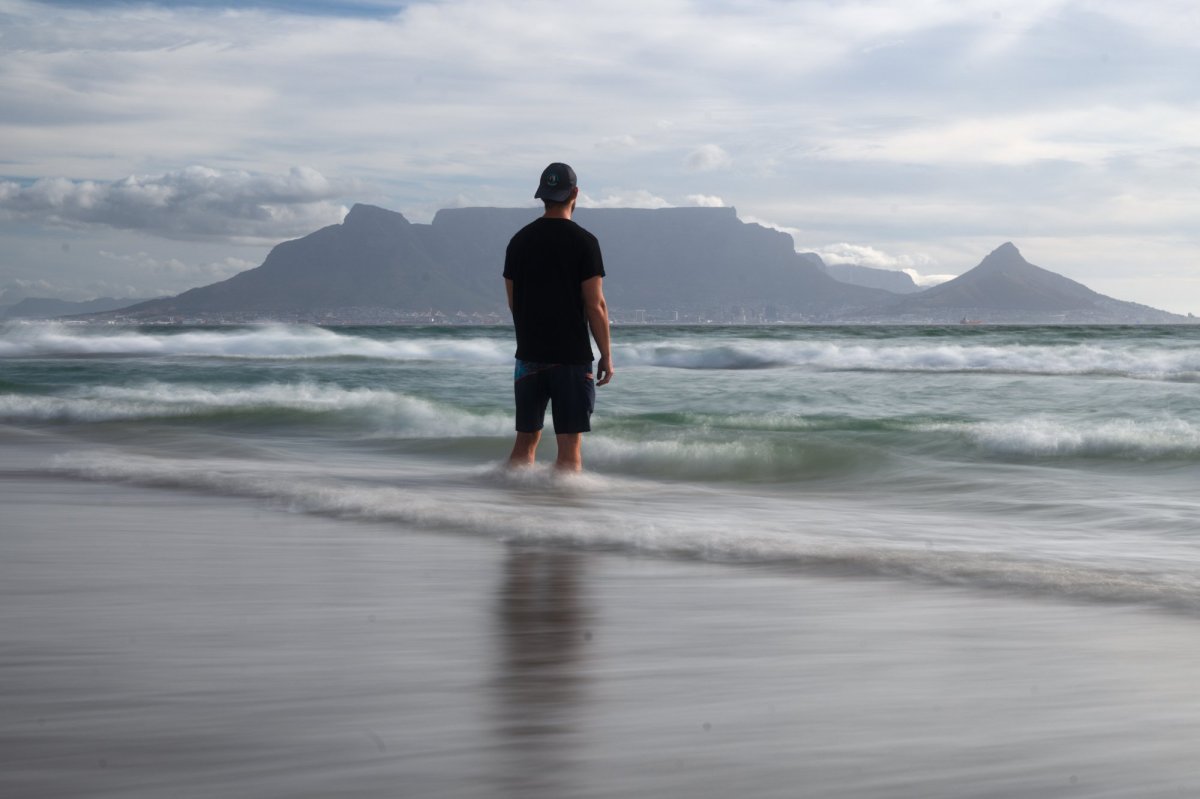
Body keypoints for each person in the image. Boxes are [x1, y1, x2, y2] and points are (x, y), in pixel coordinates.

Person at [503, 162, 613, 471]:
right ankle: (564, 502)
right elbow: (595, 305)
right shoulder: (584, 242)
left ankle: (511, 496)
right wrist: (606, 355)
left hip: (528, 357)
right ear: (575, 193)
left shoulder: (519, 241)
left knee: (525, 441)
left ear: (542, 195)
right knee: (569, 447)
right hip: (571, 358)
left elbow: (514, 302)